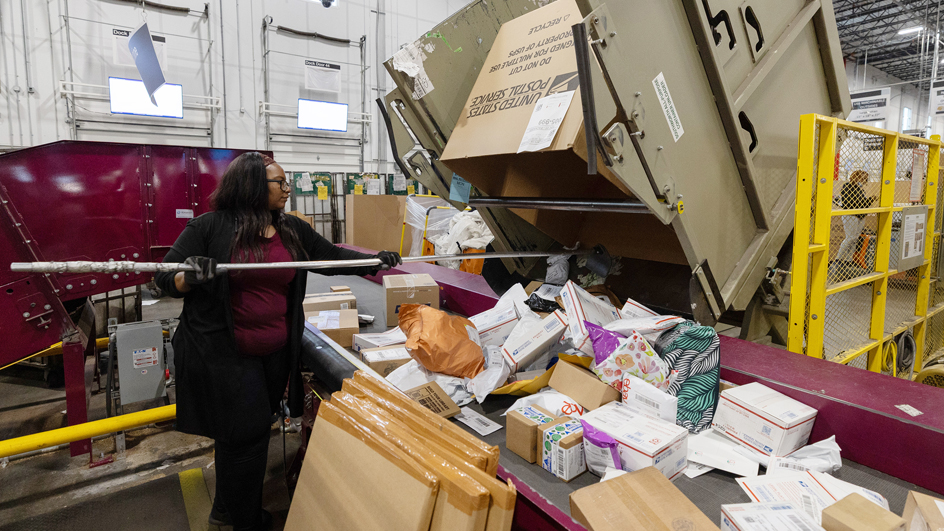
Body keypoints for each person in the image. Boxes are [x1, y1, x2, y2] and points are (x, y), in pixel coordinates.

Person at [155, 153, 401, 530]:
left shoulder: (290, 230)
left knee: (238, 436)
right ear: (252, 185)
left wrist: (375, 263)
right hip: (224, 354)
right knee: (249, 437)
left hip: (273, 354)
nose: (288, 189)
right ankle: (245, 520)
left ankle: (225, 507)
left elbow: (330, 257)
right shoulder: (210, 227)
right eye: (280, 183)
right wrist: (189, 277)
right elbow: (164, 278)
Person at [835, 169, 875, 264]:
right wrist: (869, 200)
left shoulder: (860, 189)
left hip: (860, 216)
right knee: (850, 237)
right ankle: (838, 259)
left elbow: (863, 204)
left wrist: (869, 200)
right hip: (851, 215)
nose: (864, 181)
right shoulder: (847, 187)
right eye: (863, 179)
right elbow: (853, 203)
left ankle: (849, 259)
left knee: (855, 238)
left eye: (865, 179)